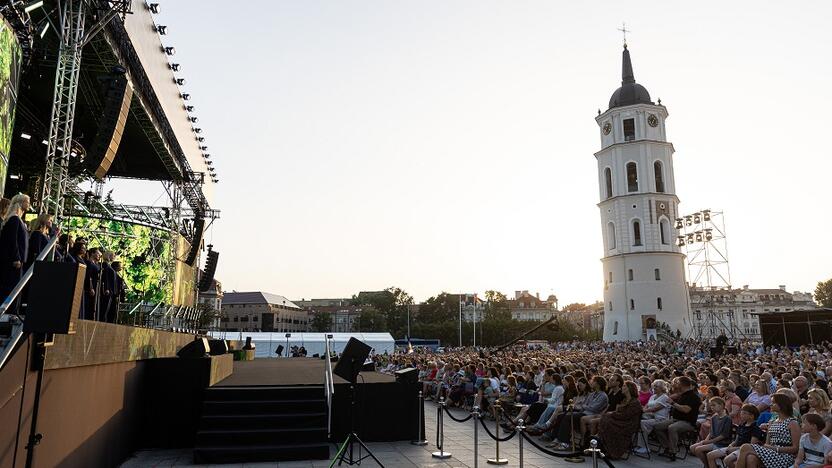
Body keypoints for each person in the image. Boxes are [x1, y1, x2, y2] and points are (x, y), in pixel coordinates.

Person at [735, 393, 800, 468]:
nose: (770, 405)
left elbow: (795, 448)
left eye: (773, 403)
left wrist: (776, 449)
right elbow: (767, 443)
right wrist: (768, 447)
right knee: (751, 458)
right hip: (771, 453)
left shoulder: (792, 423)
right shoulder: (772, 422)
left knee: (745, 447)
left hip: (784, 456)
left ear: (781, 405)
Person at [549, 375, 608, 451]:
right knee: (560, 416)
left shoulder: (603, 396)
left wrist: (584, 406)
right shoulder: (592, 394)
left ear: (598, 384)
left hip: (590, 414)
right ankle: (557, 438)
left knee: (568, 417)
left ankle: (565, 443)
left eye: (593, 381)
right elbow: (586, 405)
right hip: (584, 412)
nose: (591, 383)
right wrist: (585, 406)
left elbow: (594, 408)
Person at [653, 376, 702, 461]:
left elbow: (686, 410)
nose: (675, 384)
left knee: (672, 428)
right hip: (676, 419)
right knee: (657, 427)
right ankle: (667, 447)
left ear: (682, 385)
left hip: (688, 422)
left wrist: (673, 403)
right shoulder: (681, 395)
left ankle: (673, 451)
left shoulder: (693, 397)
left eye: (677, 383)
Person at [596, 380, 643, 459]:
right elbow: (619, 413)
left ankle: (611, 450)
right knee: (605, 418)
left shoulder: (635, 402)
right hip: (622, 420)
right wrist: (611, 414)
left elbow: (626, 415)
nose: (622, 387)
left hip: (629, 424)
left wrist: (612, 414)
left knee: (607, 421)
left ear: (629, 389)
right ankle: (603, 445)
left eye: (624, 386)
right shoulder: (624, 400)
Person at [0, 194, 30, 310]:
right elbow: (12, 241)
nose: (29, 204)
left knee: (15, 288)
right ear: (21, 203)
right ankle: (6, 312)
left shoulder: (18, 220)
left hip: (19, 262)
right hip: (13, 262)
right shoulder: (14, 219)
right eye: (27, 202)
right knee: (10, 288)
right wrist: (16, 258)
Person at [691, 397, 732, 467]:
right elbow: (711, 432)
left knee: (698, 449)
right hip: (713, 441)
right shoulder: (714, 417)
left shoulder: (727, 419)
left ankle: (708, 466)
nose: (711, 407)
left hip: (721, 443)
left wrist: (709, 442)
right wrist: (705, 441)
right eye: (711, 405)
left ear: (721, 405)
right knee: (692, 447)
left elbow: (723, 436)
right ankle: (710, 465)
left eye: (714, 405)